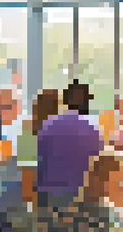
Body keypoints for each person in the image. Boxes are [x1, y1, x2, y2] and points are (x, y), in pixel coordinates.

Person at [35, 80, 104, 208]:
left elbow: (38, 159)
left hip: (49, 194)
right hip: (80, 194)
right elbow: (99, 166)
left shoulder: (49, 125)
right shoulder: (92, 130)